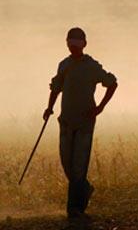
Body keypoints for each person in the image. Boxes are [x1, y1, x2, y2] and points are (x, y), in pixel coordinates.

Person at [44, 27, 118, 219]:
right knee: (67, 163)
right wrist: (49, 108)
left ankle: (74, 208)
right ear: (67, 44)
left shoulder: (91, 66)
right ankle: (84, 189)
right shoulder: (64, 65)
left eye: (77, 44)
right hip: (66, 121)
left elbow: (112, 83)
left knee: (78, 165)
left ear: (84, 44)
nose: (73, 48)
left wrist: (100, 107)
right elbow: (56, 88)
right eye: (71, 44)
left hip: (85, 122)